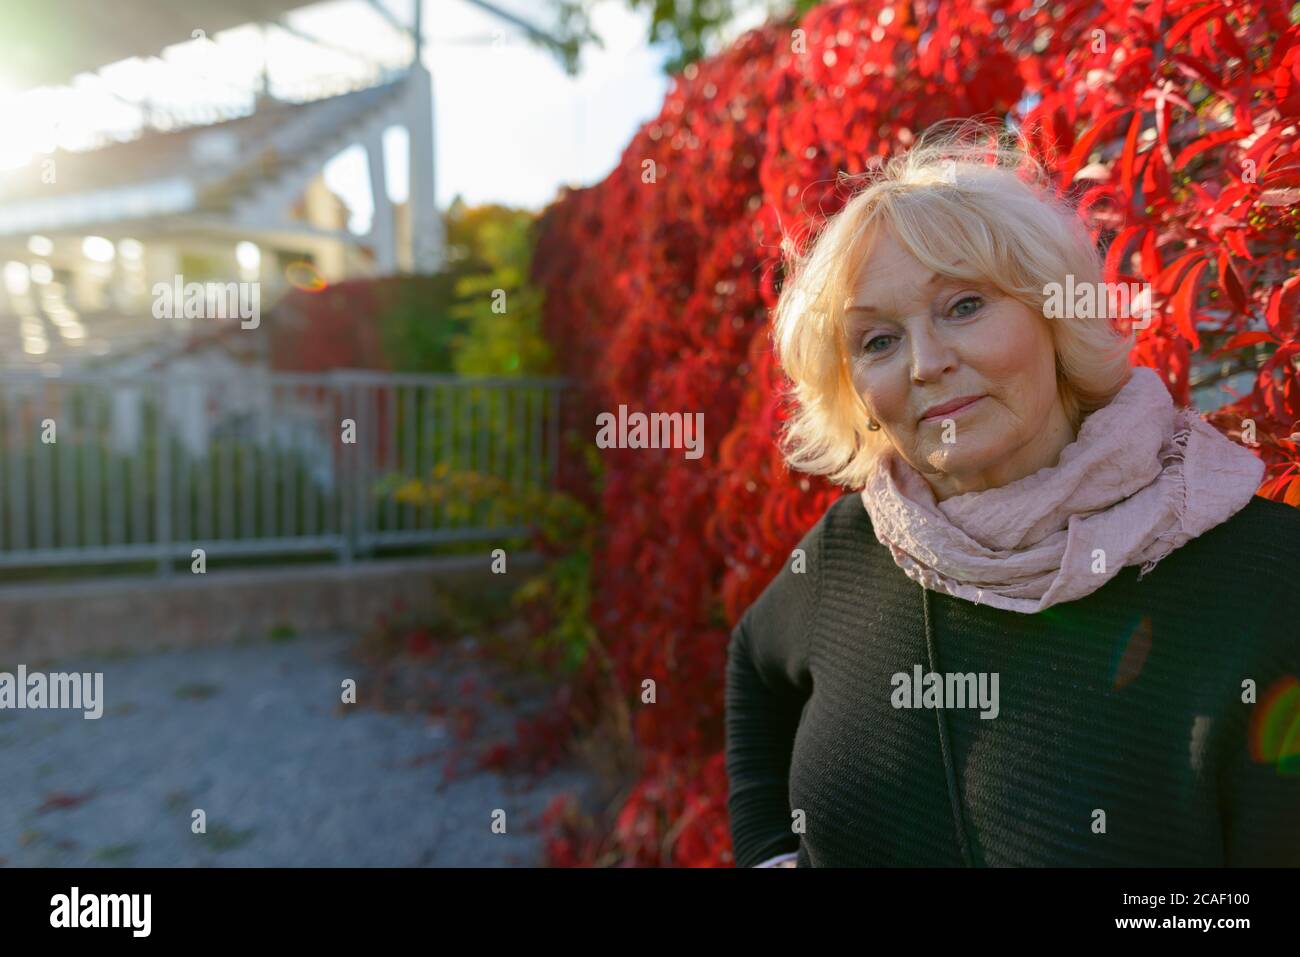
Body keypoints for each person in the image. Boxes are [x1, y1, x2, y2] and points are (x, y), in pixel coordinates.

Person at [725, 121, 1300, 868]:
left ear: (1053, 313)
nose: (926, 363)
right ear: (856, 392)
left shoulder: (1266, 580)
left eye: (964, 305)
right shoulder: (852, 549)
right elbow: (753, 666)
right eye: (877, 341)